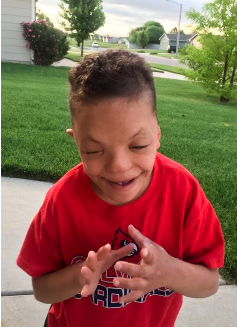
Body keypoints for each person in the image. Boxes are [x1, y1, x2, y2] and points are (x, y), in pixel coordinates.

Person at [16, 49, 225, 327]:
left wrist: (170, 271)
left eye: (138, 146)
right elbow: (42, 290)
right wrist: (80, 276)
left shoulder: (182, 192)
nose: (119, 166)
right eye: (93, 150)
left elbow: (209, 283)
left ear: (158, 134)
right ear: (76, 140)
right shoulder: (62, 200)